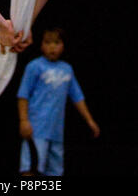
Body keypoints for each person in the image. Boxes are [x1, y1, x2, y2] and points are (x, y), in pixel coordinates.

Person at [17, 27, 101, 176]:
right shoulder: (34, 66)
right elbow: (23, 95)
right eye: (48, 43)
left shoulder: (67, 69)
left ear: (63, 45)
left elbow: (77, 97)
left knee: (55, 170)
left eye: (56, 43)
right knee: (31, 168)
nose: (52, 47)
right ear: (41, 45)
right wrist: (24, 121)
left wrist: (90, 120)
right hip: (36, 128)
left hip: (56, 131)